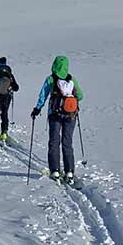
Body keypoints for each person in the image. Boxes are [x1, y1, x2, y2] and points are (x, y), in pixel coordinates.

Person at [31, 55, 83, 185]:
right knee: (67, 142)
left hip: (54, 115)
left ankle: (55, 170)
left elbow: (42, 96)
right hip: (71, 115)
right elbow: (80, 96)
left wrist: (37, 109)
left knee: (54, 141)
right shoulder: (72, 79)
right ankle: (69, 171)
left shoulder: (50, 79)